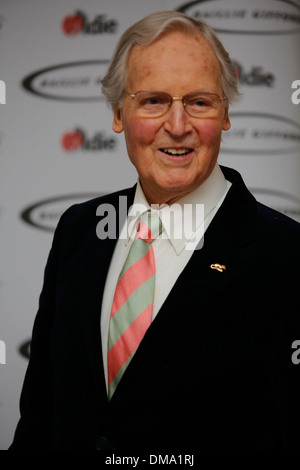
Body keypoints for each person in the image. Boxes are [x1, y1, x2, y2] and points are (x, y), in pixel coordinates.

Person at [10, 11, 300, 451]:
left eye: (199, 102)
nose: (178, 126)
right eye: (154, 101)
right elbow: (40, 418)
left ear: (225, 113)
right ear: (118, 113)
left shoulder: (287, 255)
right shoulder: (78, 230)